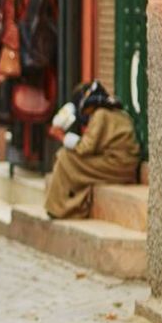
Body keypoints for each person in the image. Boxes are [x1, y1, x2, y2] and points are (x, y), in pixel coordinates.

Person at [45, 81, 141, 219]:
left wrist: (62, 136)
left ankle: (61, 208)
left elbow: (85, 148)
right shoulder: (116, 113)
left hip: (117, 166)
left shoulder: (100, 114)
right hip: (124, 166)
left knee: (65, 157)